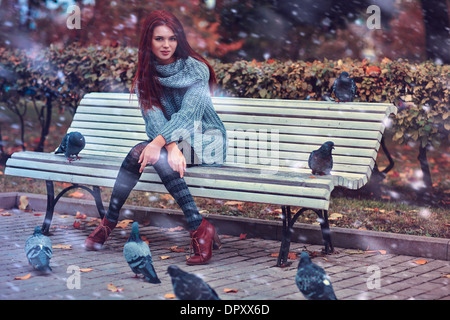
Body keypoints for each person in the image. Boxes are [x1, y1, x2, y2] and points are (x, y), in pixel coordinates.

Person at [85, 10, 227, 265]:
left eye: (172, 39)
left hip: (207, 140)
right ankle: (111, 221)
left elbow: (189, 116)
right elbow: (154, 120)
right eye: (160, 39)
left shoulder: (197, 70)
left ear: (179, 40)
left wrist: (162, 144)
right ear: (148, 42)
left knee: (155, 153)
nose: (166, 45)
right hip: (175, 142)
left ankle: (198, 226)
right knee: (138, 153)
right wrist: (171, 146)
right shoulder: (147, 75)